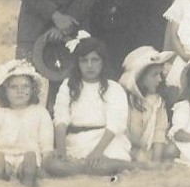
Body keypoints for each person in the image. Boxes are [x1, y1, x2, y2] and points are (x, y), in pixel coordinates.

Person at [45, 35, 134, 177]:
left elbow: (115, 124)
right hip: (76, 141)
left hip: (105, 140)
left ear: (103, 62)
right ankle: (96, 168)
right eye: (84, 61)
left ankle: (122, 165)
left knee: (98, 164)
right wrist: (61, 150)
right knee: (53, 165)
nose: (90, 66)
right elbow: (61, 118)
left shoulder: (113, 88)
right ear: (77, 63)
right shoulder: (68, 86)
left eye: (95, 60)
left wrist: (98, 151)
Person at [0, 60, 53, 187]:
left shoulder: (40, 113)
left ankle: (28, 175)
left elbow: (47, 146)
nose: (20, 91)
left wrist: (44, 167)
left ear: (33, 90)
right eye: (13, 87)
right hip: (4, 156)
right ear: (4, 91)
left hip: (29, 156)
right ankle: (0, 172)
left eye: (25, 86)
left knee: (30, 162)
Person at [119, 46, 176, 164]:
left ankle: (152, 161)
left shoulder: (158, 102)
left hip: (148, 147)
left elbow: (159, 132)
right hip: (128, 146)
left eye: (160, 74)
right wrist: (137, 148)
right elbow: (125, 133)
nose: (159, 79)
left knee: (172, 150)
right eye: (154, 75)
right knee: (137, 157)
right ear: (141, 78)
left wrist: (156, 159)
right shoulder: (126, 101)